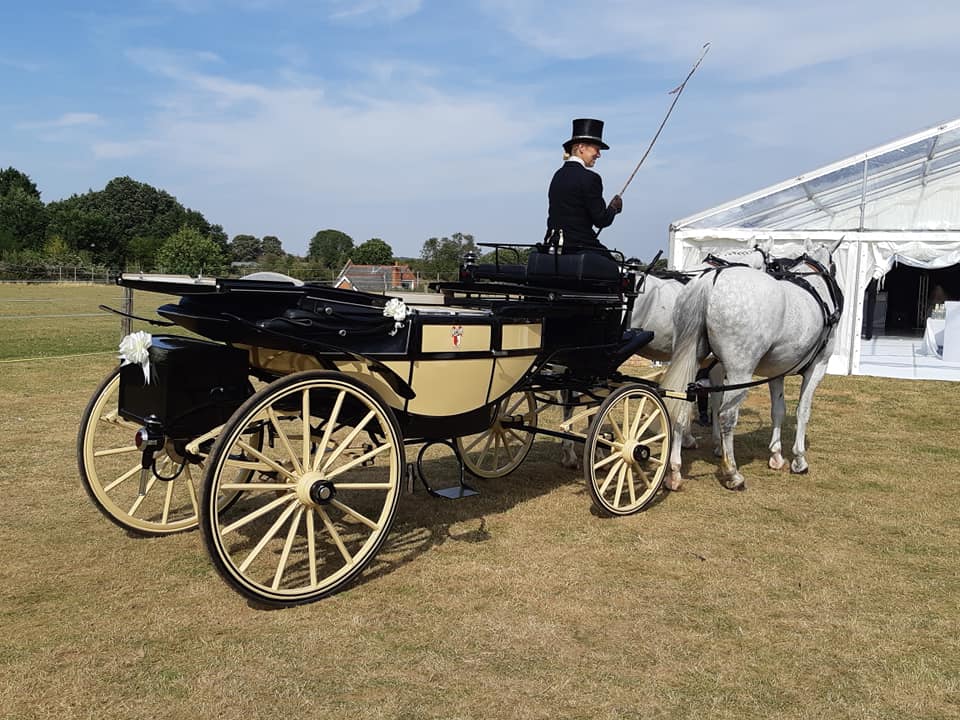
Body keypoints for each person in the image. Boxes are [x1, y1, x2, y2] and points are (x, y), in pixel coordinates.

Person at [546, 118, 623, 251]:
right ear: (581, 147)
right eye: (596, 149)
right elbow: (601, 220)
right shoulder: (590, 178)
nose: (598, 155)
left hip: (553, 246)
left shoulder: (557, 175)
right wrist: (613, 209)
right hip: (580, 246)